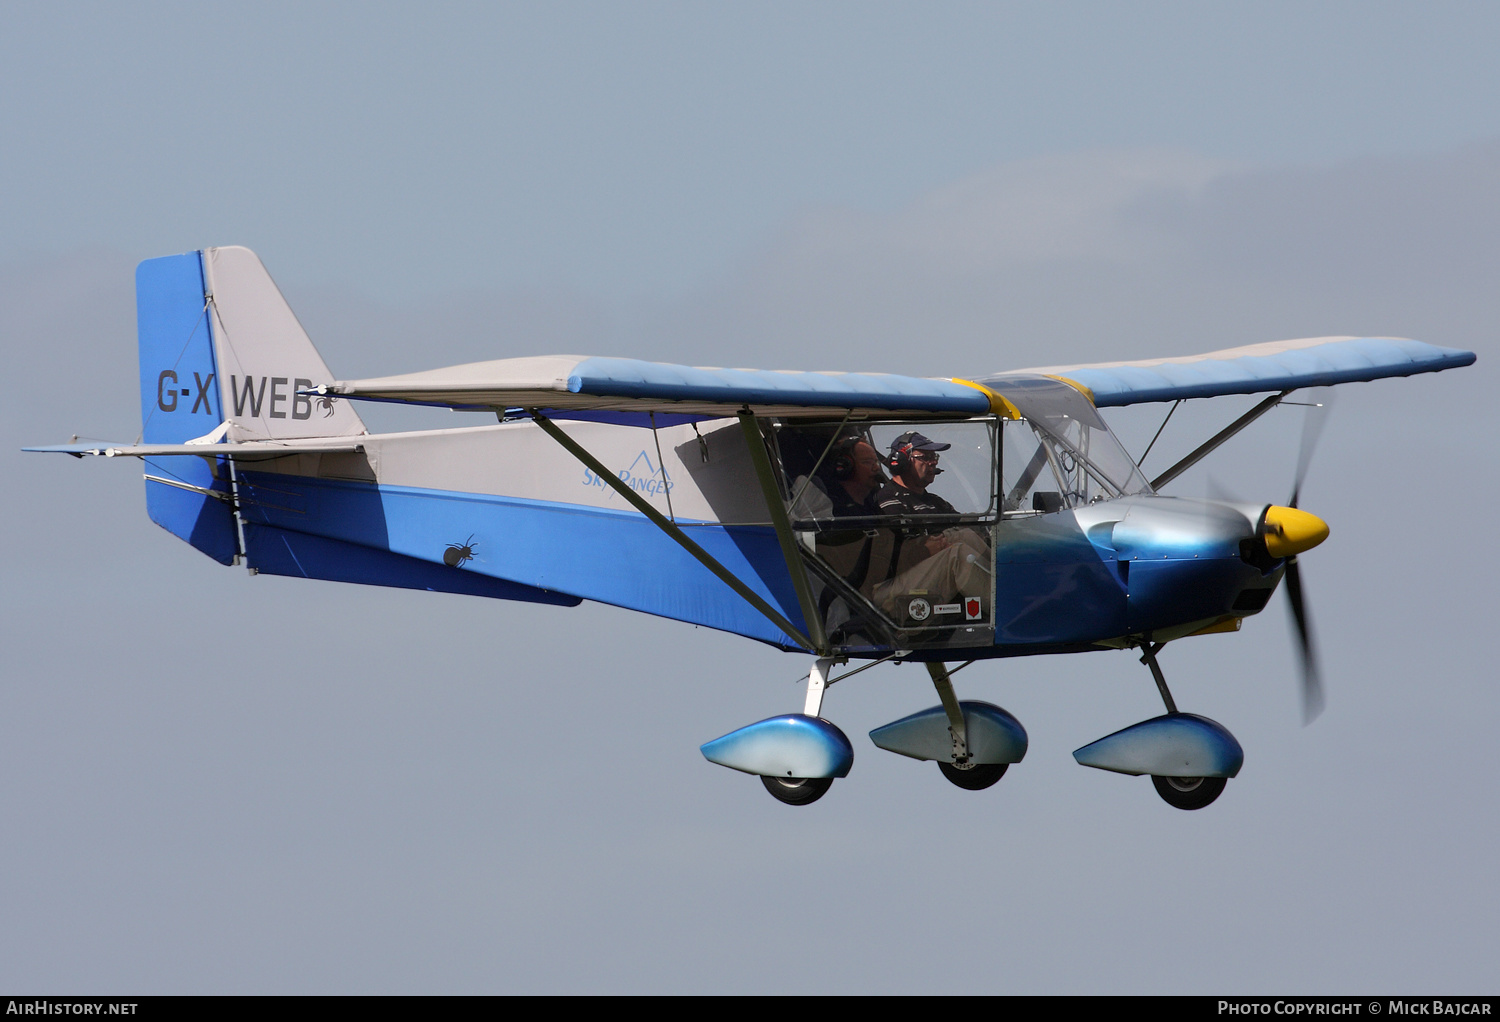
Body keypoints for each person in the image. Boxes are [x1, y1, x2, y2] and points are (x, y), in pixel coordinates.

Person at [870, 431, 992, 625]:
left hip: (925, 579)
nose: (933, 463)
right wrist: (930, 545)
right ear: (900, 461)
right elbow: (901, 555)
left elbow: (965, 531)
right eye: (925, 457)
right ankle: (1002, 607)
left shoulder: (936, 503)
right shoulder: (887, 500)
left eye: (934, 457)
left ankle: (1007, 591)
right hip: (892, 589)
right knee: (958, 551)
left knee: (968, 533)